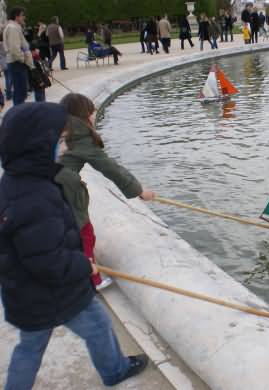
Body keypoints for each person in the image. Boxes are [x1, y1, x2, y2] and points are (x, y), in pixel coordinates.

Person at [0, 102, 149, 390]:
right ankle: (115, 370)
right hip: (58, 293)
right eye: (59, 142)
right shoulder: (36, 198)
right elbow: (47, 260)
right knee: (98, 326)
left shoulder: (16, 183)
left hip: (26, 295)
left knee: (29, 349)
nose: (65, 149)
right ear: (36, 146)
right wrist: (83, 264)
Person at [55, 93, 155, 290]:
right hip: (65, 187)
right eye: (92, 111)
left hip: (45, 185)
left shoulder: (56, 128)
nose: (95, 115)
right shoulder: (81, 135)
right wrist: (139, 191)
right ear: (85, 115)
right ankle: (92, 280)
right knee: (85, 233)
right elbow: (110, 168)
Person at [3, 7, 33, 105]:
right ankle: (19, 115)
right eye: (22, 15)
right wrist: (24, 59)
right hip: (17, 63)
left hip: (16, 63)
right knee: (20, 92)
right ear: (17, 16)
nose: (24, 17)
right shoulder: (13, 28)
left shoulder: (14, 27)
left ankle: (19, 113)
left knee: (20, 91)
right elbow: (14, 49)